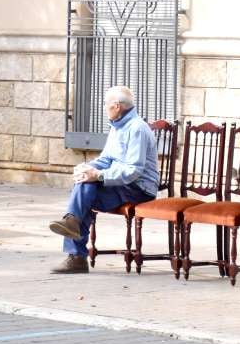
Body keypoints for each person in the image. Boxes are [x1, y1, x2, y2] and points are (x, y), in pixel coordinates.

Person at [48, 86, 159, 274]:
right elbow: (106, 159)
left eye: (106, 104)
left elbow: (133, 171)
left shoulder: (137, 128)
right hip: (121, 184)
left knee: (85, 192)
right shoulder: (118, 126)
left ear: (116, 106)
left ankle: (76, 254)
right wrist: (86, 168)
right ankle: (73, 226)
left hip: (139, 188)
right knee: (85, 185)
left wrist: (98, 175)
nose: (104, 107)